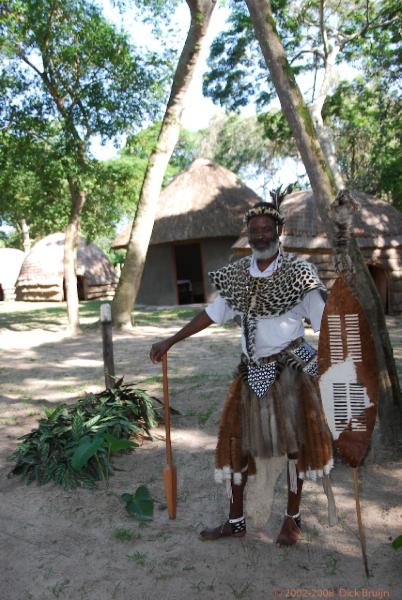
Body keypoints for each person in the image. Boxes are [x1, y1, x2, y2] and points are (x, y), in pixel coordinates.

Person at [150, 198, 335, 546]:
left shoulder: (298, 274)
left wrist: (341, 359)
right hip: (252, 373)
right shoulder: (238, 276)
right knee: (239, 447)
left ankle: (292, 520)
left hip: (292, 370)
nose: (261, 235)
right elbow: (211, 313)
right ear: (248, 235)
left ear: (278, 232)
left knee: (296, 448)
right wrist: (171, 340)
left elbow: (326, 323)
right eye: (255, 230)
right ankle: (235, 521)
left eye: (267, 229)